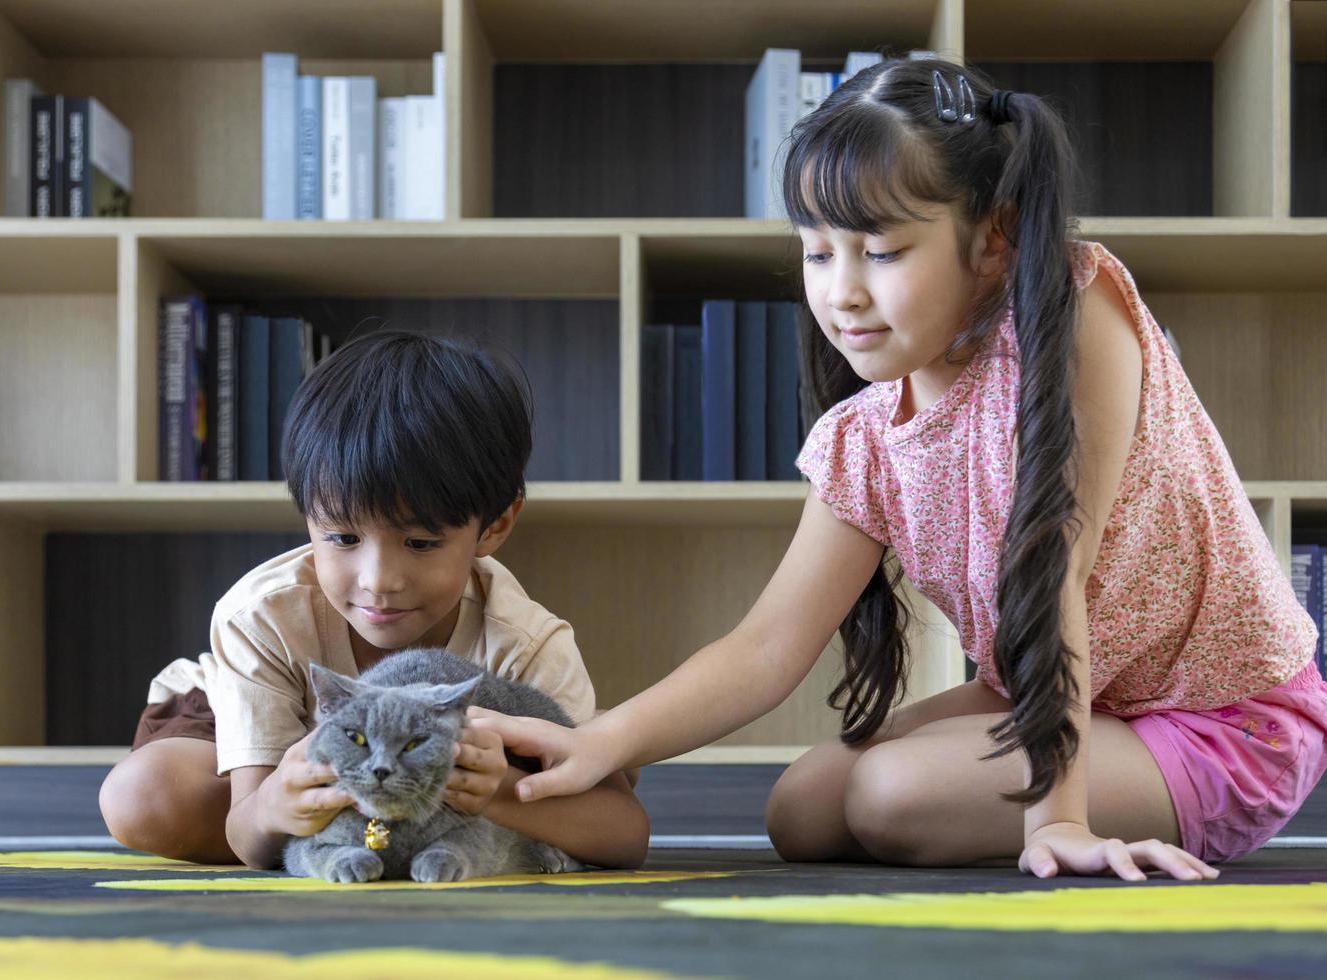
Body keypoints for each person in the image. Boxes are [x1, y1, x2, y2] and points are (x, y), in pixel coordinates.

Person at [472, 60, 1327, 881]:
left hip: (1222, 723)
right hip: (1077, 697)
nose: (840, 291)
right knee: (802, 809)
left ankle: (1088, 794)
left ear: (994, 239)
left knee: (891, 796)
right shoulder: (865, 438)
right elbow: (767, 647)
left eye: (879, 251)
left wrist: (1058, 819)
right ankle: (1059, 781)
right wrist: (601, 740)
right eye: (816, 252)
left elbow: (1054, 564)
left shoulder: (1069, 314)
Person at [99, 330, 648, 870]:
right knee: (144, 796)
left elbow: (624, 834)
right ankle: (362, 835)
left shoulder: (525, 644)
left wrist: (494, 790)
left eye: (420, 543)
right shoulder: (262, 617)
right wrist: (273, 805)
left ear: (495, 525)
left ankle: (425, 820)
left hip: (418, 775)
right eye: (342, 539)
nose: (379, 580)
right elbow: (248, 835)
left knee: (581, 764)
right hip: (241, 729)